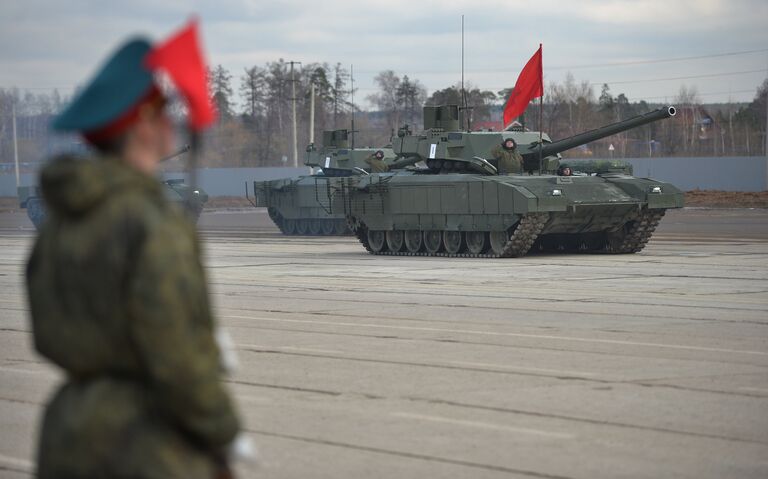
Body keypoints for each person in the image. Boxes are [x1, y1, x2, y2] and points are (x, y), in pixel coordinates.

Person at [26, 36, 241, 478]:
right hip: (146, 443)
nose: (171, 125)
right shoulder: (150, 223)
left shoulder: (63, 221)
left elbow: (45, 334)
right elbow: (178, 356)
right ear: (142, 125)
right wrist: (223, 429)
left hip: (68, 431)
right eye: (163, 113)